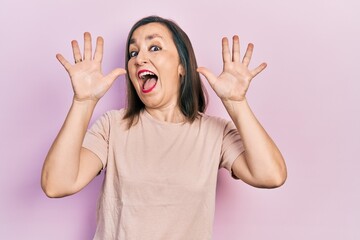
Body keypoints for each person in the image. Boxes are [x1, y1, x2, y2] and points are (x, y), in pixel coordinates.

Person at [41, 16, 287, 239]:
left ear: (182, 66)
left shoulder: (215, 133)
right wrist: (83, 102)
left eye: (154, 47)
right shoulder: (113, 126)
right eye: (133, 52)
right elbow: (56, 184)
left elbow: (271, 175)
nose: (139, 59)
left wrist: (237, 103)